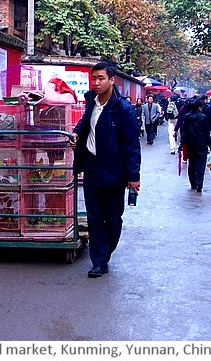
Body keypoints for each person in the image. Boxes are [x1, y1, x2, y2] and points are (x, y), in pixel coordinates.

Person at [70, 62, 141, 278]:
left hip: (114, 172)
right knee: (94, 217)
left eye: (101, 78)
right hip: (92, 167)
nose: (97, 83)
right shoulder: (91, 102)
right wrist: (76, 134)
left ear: (112, 80)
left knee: (113, 218)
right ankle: (98, 261)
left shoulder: (123, 110)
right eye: (94, 78)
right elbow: (85, 124)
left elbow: (131, 145)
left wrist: (133, 176)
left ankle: (106, 252)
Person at [179, 99, 211, 192]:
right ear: (199, 107)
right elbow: (206, 133)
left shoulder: (187, 117)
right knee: (200, 165)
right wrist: (210, 146)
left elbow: (184, 132)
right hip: (201, 144)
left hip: (190, 144)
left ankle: (193, 184)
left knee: (192, 164)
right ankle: (199, 184)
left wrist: (182, 143)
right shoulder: (203, 117)